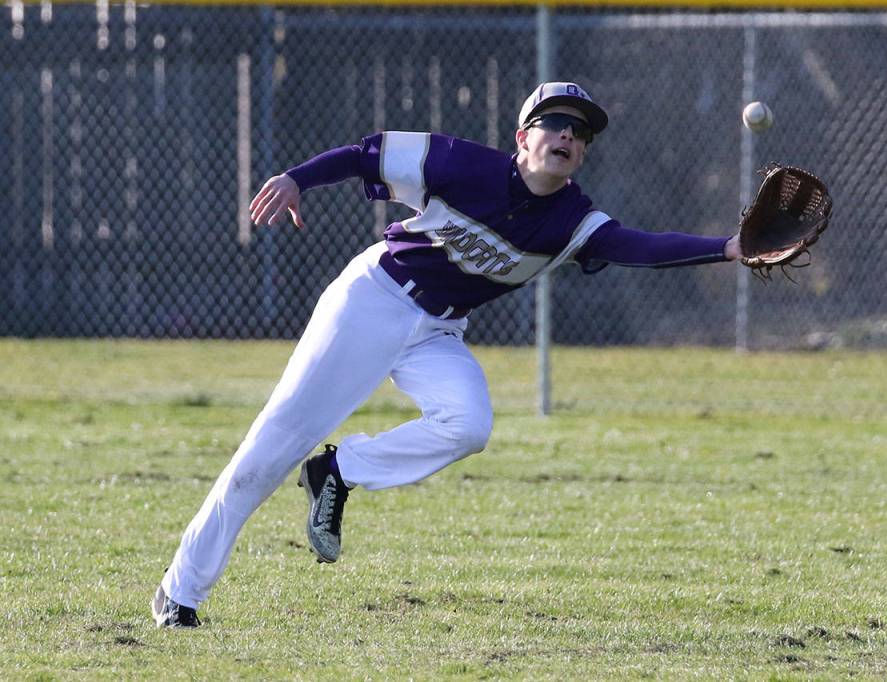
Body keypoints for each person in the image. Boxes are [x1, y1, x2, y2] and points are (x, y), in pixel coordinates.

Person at [151, 82, 743, 627]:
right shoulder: (459, 163)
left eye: (580, 132)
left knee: (468, 424)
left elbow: (642, 246)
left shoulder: (573, 221)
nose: (567, 135)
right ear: (522, 137)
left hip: (437, 330)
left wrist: (730, 248)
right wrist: (297, 178)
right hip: (373, 300)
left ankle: (338, 470)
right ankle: (180, 595)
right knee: (266, 452)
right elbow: (367, 154)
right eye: (554, 122)